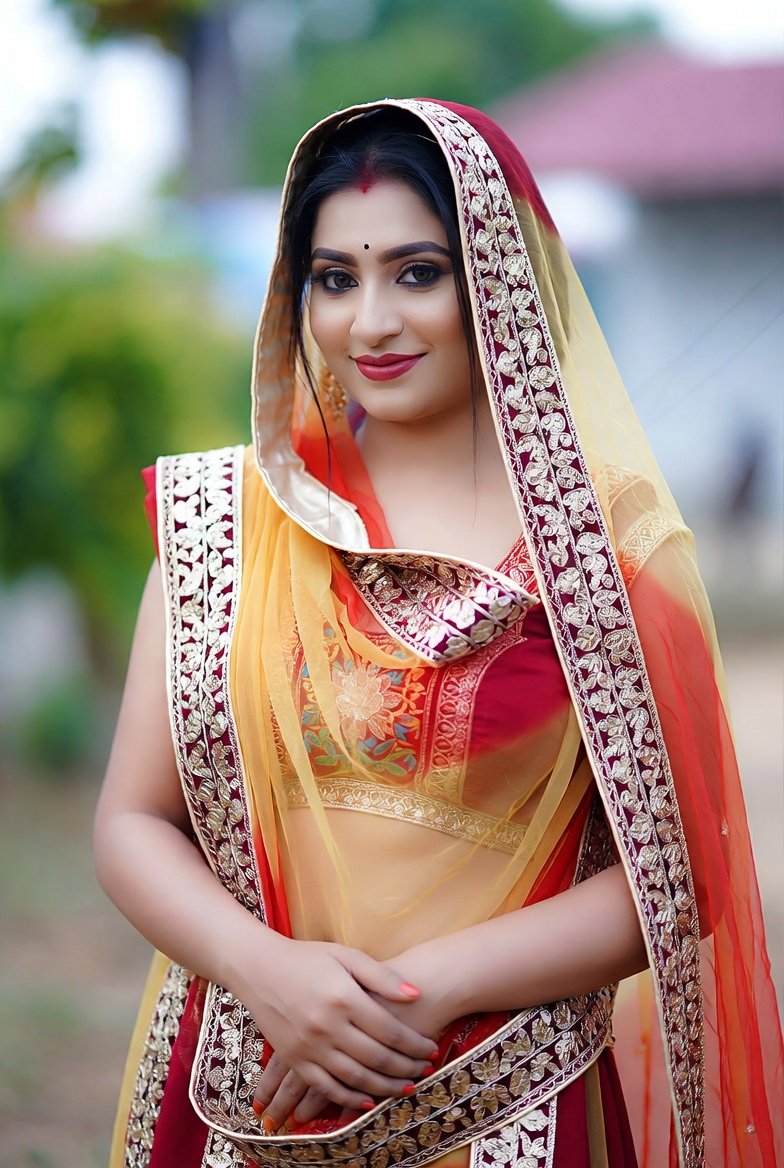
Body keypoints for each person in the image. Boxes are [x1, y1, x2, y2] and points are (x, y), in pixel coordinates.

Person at [95, 100, 783, 1168]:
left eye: (417, 271)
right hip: (249, 1080)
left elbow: (673, 875)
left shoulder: (610, 551)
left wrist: (420, 995)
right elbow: (134, 820)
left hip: (508, 1101)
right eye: (335, 278)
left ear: (496, 280)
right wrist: (269, 972)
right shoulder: (222, 524)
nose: (371, 321)